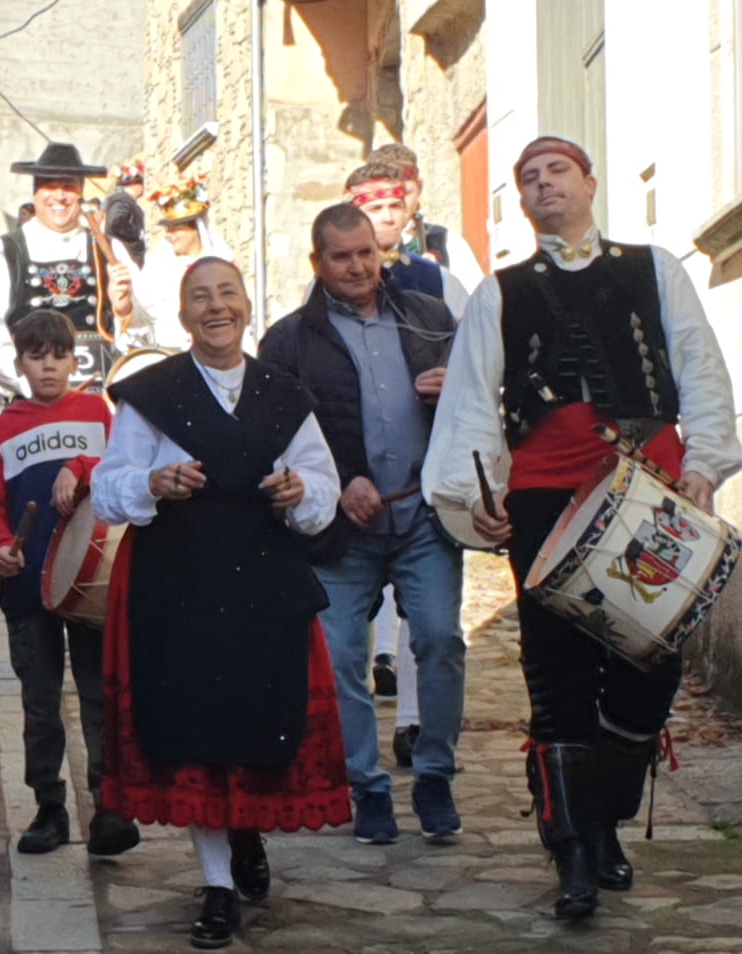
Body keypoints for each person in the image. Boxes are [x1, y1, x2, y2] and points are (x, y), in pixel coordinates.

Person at [422, 136, 742, 920]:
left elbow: (698, 366)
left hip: (651, 489)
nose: (543, 186)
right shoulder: (499, 294)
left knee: (648, 670)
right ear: (523, 201)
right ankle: (573, 848)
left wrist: (703, 462)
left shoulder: (655, 268)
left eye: (556, 171)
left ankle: (604, 820)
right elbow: (472, 400)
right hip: (543, 500)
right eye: (528, 179)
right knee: (557, 673)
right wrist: (478, 496)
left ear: (589, 182)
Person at [93, 257, 350, 950]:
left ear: (245, 306)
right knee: (195, 731)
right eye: (200, 297)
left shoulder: (282, 394)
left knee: (261, 719)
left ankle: (248, 832)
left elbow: (322, 488)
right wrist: (154, 480)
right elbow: (108, 487)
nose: (216, 307)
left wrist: (302, 493)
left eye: (227, 293)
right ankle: (216, 885)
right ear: (182, 316)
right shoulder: (151, 394)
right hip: (179, 585)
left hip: (265, 582)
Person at [258, 203, 464, 847]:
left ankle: (434, 775)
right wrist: (340, 480)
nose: (356, 267)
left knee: (439, 641)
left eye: (365, 253)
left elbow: (481, 399)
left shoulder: (429, 318)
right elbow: (278, 432)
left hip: (423, 516)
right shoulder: (289, 340)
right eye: (341, 257)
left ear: (381, 254)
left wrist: (454, 384)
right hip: (338, 534)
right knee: (343, 656)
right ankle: (367, 787)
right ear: (318, 263)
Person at [0, 311, 141, 858]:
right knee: (40, 703)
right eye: (36, 356)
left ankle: (107, 809)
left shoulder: (98, 412)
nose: (48, 366)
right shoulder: (3, 426)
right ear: (18, 363)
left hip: (90, 588)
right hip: (27, 589)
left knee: (99, 697)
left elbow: (123, 466)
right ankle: (49, 807)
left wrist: (83, 465)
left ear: (75, 360)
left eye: (59, 355)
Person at [0, 142, 135, 398]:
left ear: (80, 192)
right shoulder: (3, 253)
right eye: (50, 186)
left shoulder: (109, 249)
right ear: (35, 193)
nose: (59, 196)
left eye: (68, 186)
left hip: (98, 403)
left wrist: (123, 310)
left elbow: (144, 327)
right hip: (30, 402)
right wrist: (28, 385)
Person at [345, 162, 469, 318]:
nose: (388, 218)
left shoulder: (437, 278)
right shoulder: (333, 281)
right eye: (375, 209)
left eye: (395, 207)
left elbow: (469, 337)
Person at [367, 143, 485, 291]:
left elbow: (475, 306)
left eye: (405, 193)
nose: (397, 206)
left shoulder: (446, 242)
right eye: (387, 196)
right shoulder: (349, 246)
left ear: (419, 188)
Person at [134, 175, 233, 352]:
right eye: (168, 229)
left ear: (195, 230)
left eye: (176, 229)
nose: (169, 236)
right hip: (169, 354)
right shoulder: (159, 269)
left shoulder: (222, 266)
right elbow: (142, 312)